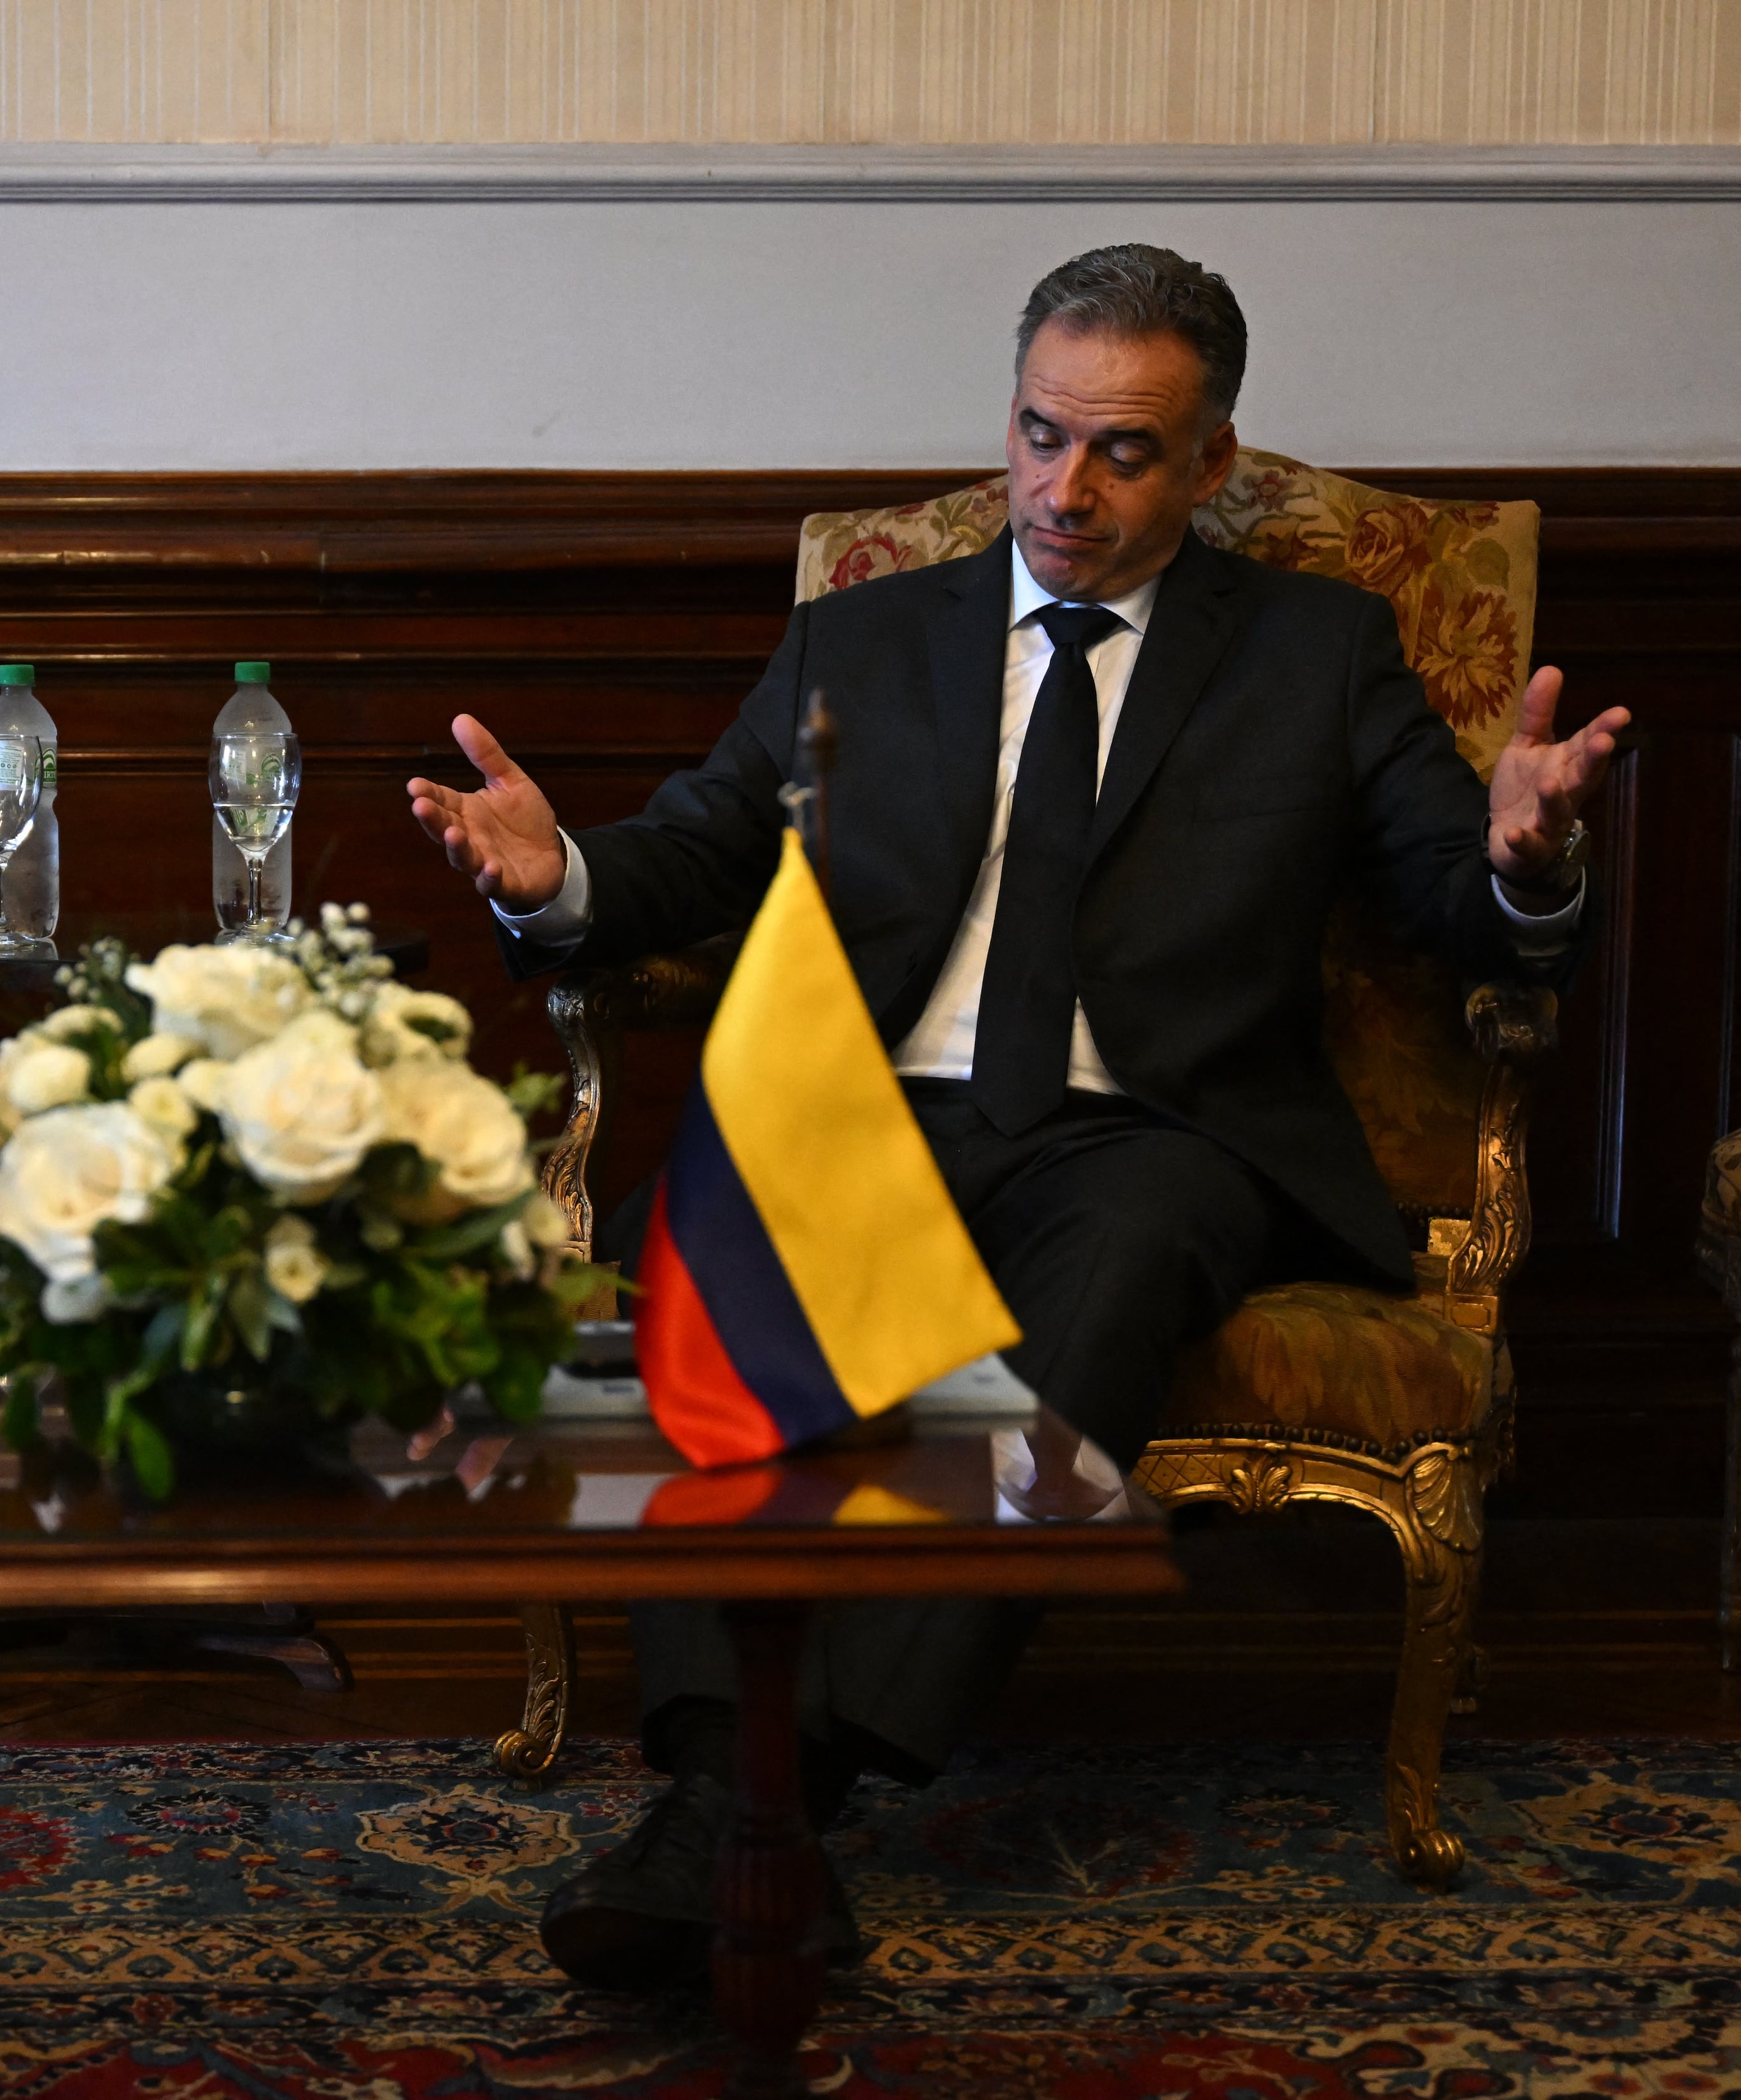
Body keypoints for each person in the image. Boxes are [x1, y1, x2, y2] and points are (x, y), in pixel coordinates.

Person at [405, 245, 1626, 1994]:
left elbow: (1453, 889)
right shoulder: (866, 635)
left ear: (1212, 463)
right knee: (715, 1218)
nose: (1067, 487)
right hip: (872, 1106)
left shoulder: (1318, 652)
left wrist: (1530, 860)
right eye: (1042, 435)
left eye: (1124, 451)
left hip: (1152, 1135)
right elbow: (696, 842)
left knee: (1124, 1249)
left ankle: (770, 1799)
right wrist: (563, 872)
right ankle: (731, 1794)